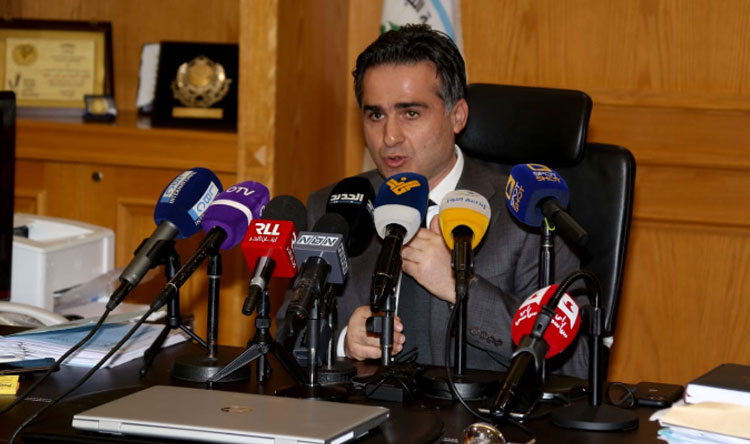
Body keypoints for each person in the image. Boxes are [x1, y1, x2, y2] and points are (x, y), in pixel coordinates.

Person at [305, 24, 587, 378]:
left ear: (457, 116)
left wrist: (460, 287)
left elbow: (577, 364)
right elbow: (284, 337)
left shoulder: (528, 214)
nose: (389, 137)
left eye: (410, 113)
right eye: (375, 114)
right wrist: (342, 342)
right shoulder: (335, 209)